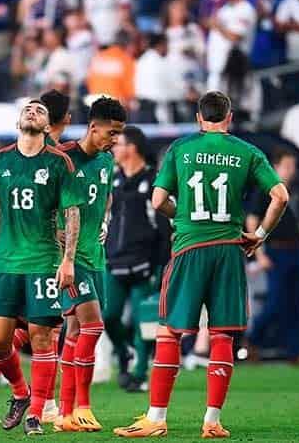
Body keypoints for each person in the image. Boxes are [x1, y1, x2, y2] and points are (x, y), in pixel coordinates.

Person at [114, 91, 289, 439]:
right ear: (229, 117)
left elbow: (158, 199)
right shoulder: (248, 152)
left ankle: (156, 417)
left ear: (198, 118)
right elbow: (280, 195)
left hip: (191, 246)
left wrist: (178, 219)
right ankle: (212, 421)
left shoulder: (181, 148)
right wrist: (261, 234)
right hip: (229, 248)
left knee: (169, 332)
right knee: (222, 333)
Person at [0, 99, 84, 435]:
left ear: (48, 125)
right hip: (5, 262)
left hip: (43, 262)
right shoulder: (0, 160)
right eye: (28, 109)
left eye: (39, 110)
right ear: (19, 120)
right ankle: (21, 393)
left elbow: (72, 214)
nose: (32, 111)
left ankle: (36, 413)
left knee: (41, 339)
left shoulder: (59, 162)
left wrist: (67, 260)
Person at [54, 97, 126, 432]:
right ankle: (82, 406)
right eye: (111, 133)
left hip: (95, 256)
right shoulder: (64, 158)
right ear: (92, 126)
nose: (114, 140)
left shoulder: (106, 161)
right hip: (69, 258)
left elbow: (106, 195)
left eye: (119, 134)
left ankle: (65, 414)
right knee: (94, 326)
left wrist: (106, 221)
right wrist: (61, 251)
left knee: (76, 332)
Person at [104, 126, 172, 393]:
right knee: (108, 315)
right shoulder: (114, 181)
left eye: (117, 143)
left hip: (145, 262)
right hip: (115, 260)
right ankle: (124, 353)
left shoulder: (154, 182)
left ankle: (140, 373)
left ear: (131, 148)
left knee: (144, 321)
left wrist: (161, 263)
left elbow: (164, 228)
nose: (113, 148)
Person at [247, 148, 299, 363]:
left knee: (297, 302)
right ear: (275, 167)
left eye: (293, 166)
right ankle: (253, 338)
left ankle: (295, 351)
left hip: (296, 249)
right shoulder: (266, 189)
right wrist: (260, 253)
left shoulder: (298, 190)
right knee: (276, 302)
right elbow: (252, 220)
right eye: (287, 166)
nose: (291, 171)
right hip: (276, 250)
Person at [205, 0, 257, 91]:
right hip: (216, 67)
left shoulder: (246, 9)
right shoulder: (224, 9)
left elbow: (235, 37)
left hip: (234, 67)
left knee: (231, 102)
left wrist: (217, 25)